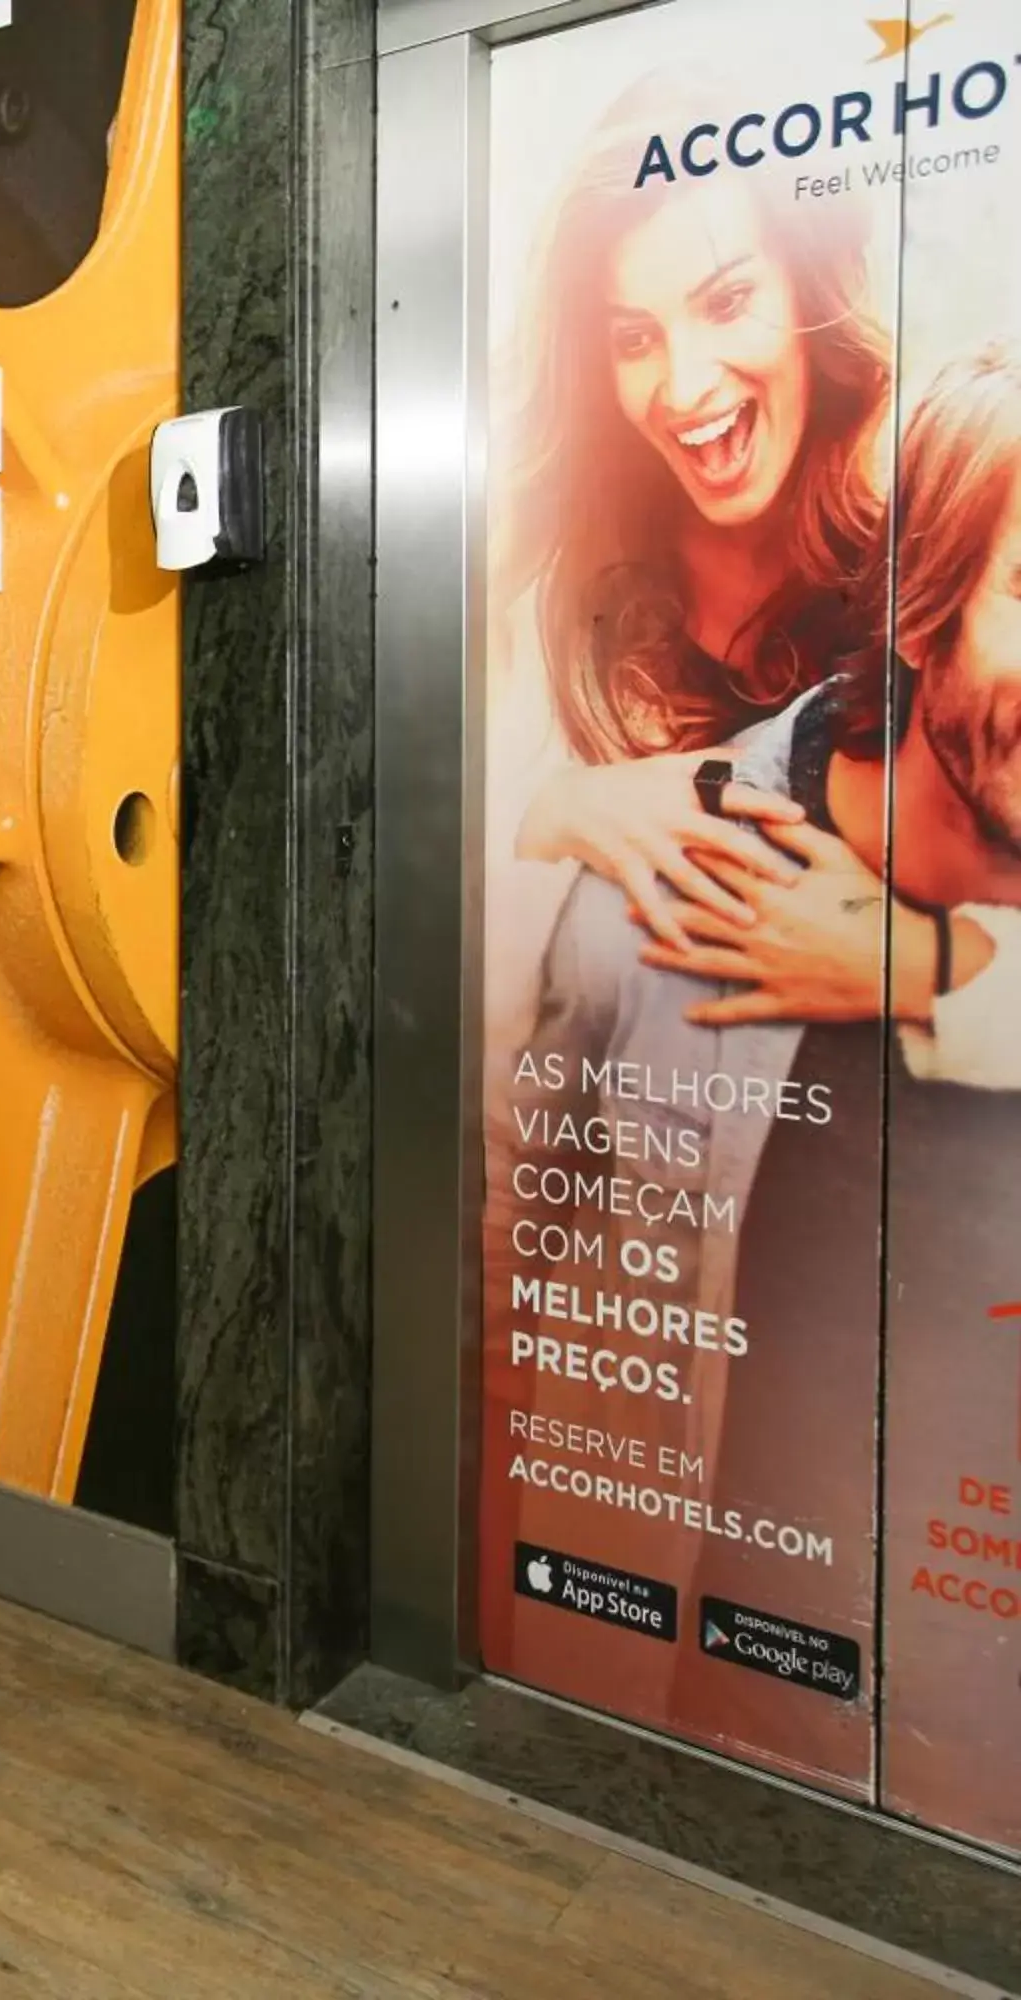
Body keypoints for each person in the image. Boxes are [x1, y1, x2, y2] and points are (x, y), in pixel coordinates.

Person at [509, 346, 1021, 1751]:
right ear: (930, 611)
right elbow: (509, 1233)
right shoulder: (671, 861)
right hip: (682, 1721)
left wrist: (941, 972)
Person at [487, 67, 1018, 1080]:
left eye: (728, 301)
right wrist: (549, 812)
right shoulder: (553, 575)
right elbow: (437, 880)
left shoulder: (929, 521)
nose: (684, 385)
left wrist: (931, 963)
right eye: (634, 338)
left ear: (808, 292)